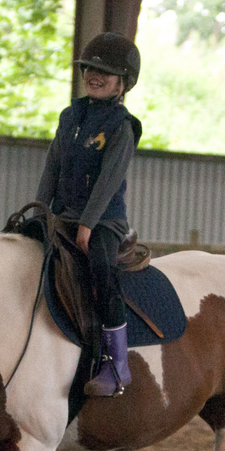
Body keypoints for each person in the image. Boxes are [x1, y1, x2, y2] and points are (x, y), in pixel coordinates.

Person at [36, 32, 143, 397]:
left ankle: (116, 364)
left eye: (105, 72)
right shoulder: (71, 116)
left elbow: (109, 180)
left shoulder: (122, 126)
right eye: (90, 69)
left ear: (123, 82)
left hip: (104, 219)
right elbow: (52, 167)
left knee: (101, 269)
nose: (94, 76)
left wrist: (87, 225)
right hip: (63, 214)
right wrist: (38, 211)